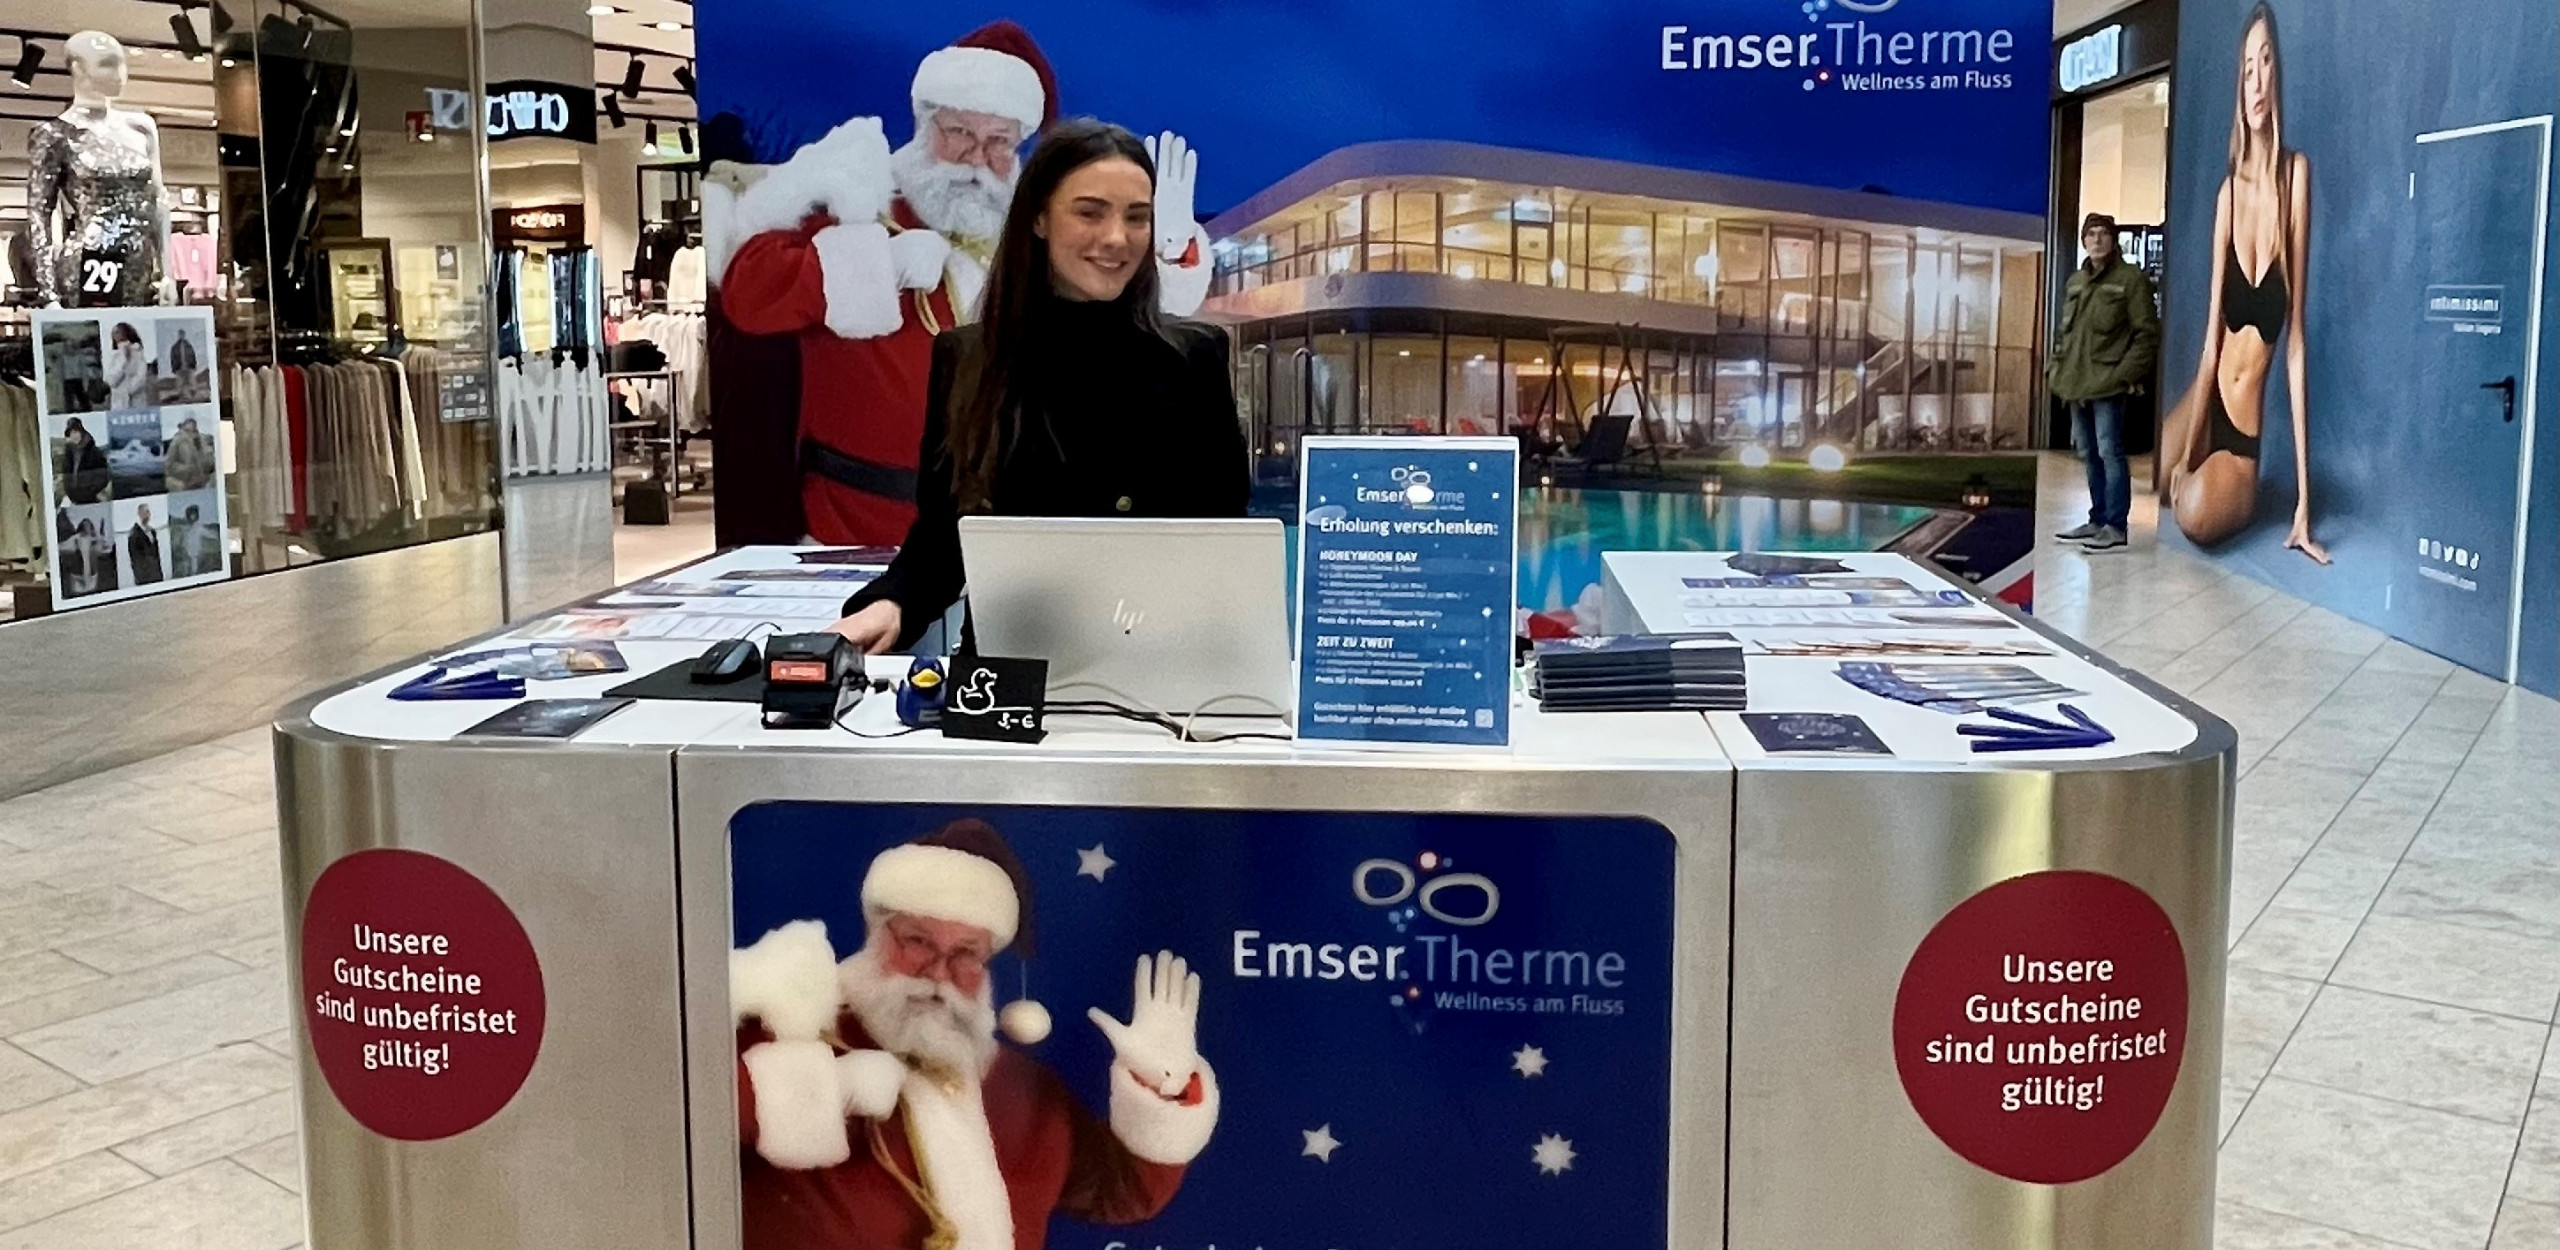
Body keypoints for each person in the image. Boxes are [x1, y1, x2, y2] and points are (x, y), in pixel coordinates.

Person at [713, 22, 1214, 548]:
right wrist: (878, 264)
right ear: (925, 124)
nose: (978, 158)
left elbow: (1114, 320)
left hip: (1012, 529)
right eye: (960, 134)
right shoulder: (854, 203)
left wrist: (1164, 257)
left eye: (999, 141)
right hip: (856, 531)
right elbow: (749, 296)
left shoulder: (1033, 234)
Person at [823, 121, 1248, 654]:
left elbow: (1226, 538)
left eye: (1137, 217)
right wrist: (893, 602)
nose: (1117, 238)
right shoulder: (969, 361)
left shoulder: (1195, 358)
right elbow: (944, 536)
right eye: (1090, 212)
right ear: (1040, 219)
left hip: (1162, 665)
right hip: (1010, 672)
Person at [730, 818, 1219, 1250]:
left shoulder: (1018, 1089)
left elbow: (1120, 1192)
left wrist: (1163, 1085)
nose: (939, 971)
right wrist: (830, 1091)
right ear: (876, 938)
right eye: (918, 941)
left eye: (967, 952)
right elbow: (681, 1128)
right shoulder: (789, 1031)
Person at [2158, 2, 2327, 564]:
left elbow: (2296, 345)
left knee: (2195, 514)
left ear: (2278, 73)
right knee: (2162, 470)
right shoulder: (2227, 195)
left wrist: (2305, 501)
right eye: (2247, 69)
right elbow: (2211, 344)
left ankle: (2226, 484)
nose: (2256, 82)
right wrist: (2184, 453)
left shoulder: (2295, 177)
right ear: (2239, 81)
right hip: (2208, 402)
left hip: (2241, 437)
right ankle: (2190, 458)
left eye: (2266, 63)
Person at [2047, 213, 2158, 552]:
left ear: (2113, 240)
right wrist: (2055, 368)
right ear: (2084, 241)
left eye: (2103, 234)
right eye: (2091, 234)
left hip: (2108, 383)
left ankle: (2115, 525)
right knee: (2089, 454)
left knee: (2111, 452)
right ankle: (2096, 519)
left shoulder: (2130, 279)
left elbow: (2147, 335)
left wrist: (2123, 375)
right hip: (2076, 383)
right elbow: (2065, 333)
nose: (2097, 240)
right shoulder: (2077, 281)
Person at [57, 418, 109, 504]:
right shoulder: (68, 453)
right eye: (71, 433)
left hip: (90, 500)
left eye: (76, 432)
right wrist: (69, 491)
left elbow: (104, 475)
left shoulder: (94, 452)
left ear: (82, 432)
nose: (74, 436)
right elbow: (66, 475)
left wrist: (90, 492)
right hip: (73, 500)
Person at [104, 323, 150, 410]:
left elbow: (141, 377)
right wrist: (124, 361)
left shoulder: (138, 353)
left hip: (137, 403)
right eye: (113, 333)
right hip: (118, 406)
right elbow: (111, 380)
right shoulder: (114, 355)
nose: (114, 335)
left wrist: (129, 390)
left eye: (117, 332)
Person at [163, 414, 215, 490]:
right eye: (188, 431)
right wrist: (188, 470)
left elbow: (210, 464)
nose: (191, 433)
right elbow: (169, 466)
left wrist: (204, 451)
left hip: (204, 483)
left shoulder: (202, 440)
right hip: (185, 483)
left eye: (194, 430)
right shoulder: (177, 441)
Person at [126, 503, 162, 583]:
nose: (148, 515)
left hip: (155, 574)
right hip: (144, 576)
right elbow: (135, 558)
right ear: (140, 514)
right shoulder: (134, 534)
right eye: (146, 512)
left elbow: (156, 553)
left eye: (149, 512)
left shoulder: (152, 531)